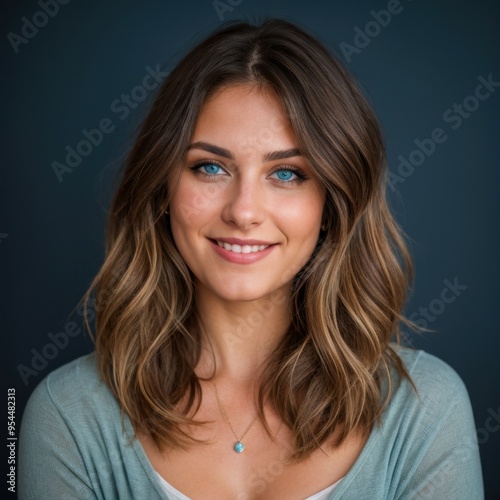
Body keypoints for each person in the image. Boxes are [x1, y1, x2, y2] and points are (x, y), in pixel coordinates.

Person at [18, 17, 484, 500]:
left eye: (286, 174)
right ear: (163, 189)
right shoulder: (67, 415)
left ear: (332, 203)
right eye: (211, 167)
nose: (243, 212)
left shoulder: (425, 408)